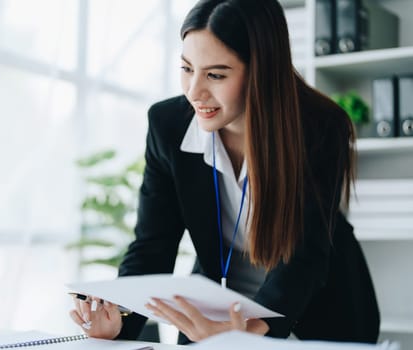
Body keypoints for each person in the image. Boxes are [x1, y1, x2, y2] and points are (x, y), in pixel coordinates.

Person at [69, 0, 380, 344]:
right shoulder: (167, 125)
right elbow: (152, 243)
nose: (194, 92)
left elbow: (304, 253)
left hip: (313, 299)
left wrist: (248, 331)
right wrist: (120, 321)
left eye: (215, 75)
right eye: (187, 68)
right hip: (221, 293)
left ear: (261, 70)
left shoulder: (320, 126)